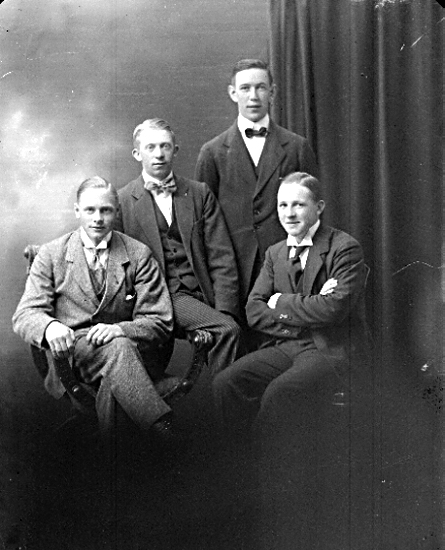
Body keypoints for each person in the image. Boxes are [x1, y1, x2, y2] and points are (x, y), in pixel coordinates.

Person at [213, 172, 370, 549]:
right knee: (225, 383)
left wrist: (281, 302)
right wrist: (306, 307)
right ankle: (237, 476)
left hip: (331, 350)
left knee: (279, 393)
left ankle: (272, 490)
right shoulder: (274, 253)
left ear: (319, 207)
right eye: (283, 205)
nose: (289, 213)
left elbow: (334, 310)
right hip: (287, 346)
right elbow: (253, 310)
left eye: (298, 204)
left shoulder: (343, 248)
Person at [12, 176, 175, 438]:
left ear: (117, 211)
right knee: (119, 352)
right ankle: (160, 424)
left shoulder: (138, 255)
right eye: (90, 210)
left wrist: (121, 330)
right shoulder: (51, 254)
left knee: (115, 369)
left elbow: (160, 320)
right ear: (77, 211)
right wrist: (50, 326)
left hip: (129, 355)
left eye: (105, 210)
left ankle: (114, 458)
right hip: (74, 354)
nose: (98, 218)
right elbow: (25, 314)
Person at [115, 118, 240, 375]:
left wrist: (224, 310)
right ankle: (227, 398)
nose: (159, 154)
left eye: (165, 146)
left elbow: (222, 256)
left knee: (230, 328)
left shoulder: (199, 193)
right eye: (150, 147)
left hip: (202, 293)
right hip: (159, 297)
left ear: (176, 150)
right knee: (227, 331)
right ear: (137, 154)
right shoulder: (123, 200)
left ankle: (226, 394)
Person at [195, 59, 319, 313]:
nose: (253, 96)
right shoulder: (212, 153)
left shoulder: (297, 147)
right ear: (233, 93)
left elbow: (314, 214)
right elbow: (202, 223)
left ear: (272, 93)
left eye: (261, 87)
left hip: (288, 268)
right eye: (245, 88)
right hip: (233, 274)